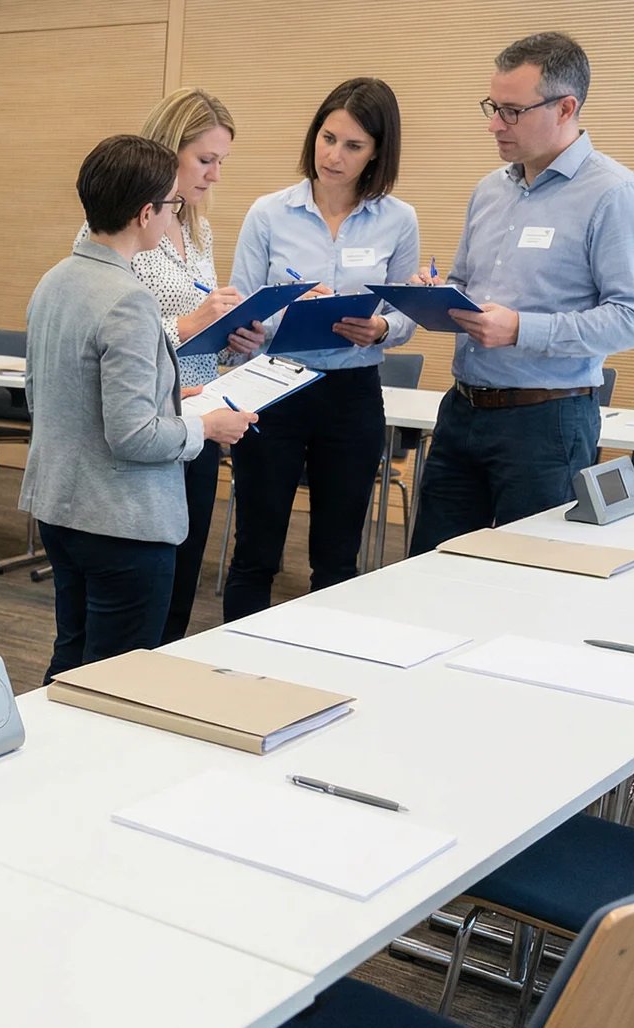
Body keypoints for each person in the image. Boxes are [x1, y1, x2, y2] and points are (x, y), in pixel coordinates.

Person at [409, 32, 634, 554]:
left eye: (512, 112)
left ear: (566, 108)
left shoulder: (615, 195)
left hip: (547, 422)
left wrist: (522, 329)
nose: (495, 124)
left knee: (527, 573)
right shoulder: (490, 189)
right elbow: (465, 281)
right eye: (493, 107)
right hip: (461, 410)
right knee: (431, 566)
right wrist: (437, 294)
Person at [24, 136, 254, 681]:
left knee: (71, 659)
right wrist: (205, 427)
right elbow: (133, 437)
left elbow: (51, 396)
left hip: (61, 506)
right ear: (146, 214)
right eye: (171, 205)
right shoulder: (129, 300)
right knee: (116, 680)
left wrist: (172, 398)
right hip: (120, 519)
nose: (176, 214)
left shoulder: (54, 281)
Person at [221, 77, 419, 621]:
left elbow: (405, 311)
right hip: (273, 387)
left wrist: (381, 329)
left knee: (337, 558)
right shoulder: (269, 213)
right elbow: (241, 304)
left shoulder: (399, 220)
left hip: (352, 394)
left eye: (353, 146)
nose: (334, 156)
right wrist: (265, 321)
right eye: (328, 138)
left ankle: (323, 657)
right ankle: (234, 658)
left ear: (377, 152)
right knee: (256, 550)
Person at [77, 88, 241, 644]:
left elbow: (199, 331)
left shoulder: (198, 228)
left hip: (197, 415)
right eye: (205, 159)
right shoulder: (114, 229)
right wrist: (189, 326)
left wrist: (231, 337)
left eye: (221, 161)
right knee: (138, 593)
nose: (215, 175)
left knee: (181, 578)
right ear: (169, 152)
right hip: (144, 425)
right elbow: (108, 331)